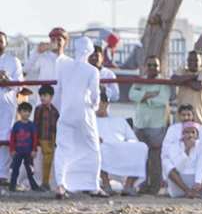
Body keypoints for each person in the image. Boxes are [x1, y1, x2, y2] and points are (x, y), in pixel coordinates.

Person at [52, 36, 102, 199]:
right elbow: (95, 96)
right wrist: (93, 108)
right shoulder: (92, 70)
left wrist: (62, 109)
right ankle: (92, 185)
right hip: (84, 113)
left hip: (66, 112)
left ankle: (60, 185)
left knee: (63, 148)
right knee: (92, 148)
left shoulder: (63, 66)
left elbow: (58, 92)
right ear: (90, 51)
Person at [128, 56, 172, 195]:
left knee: (155, 156)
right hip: (140, 123)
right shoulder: (140, 80)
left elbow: (163, 99)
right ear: (145, 66)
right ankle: (144, 184)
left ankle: (155, 186)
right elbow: (131, 95)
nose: (153, 67)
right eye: (150, 65)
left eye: (155, 65)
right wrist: (150, 95)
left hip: (157, 124)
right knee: (142, 157)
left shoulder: (163, 82)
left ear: (159, 67)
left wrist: (143, 97)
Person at [96, 93, 148, 195]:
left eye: (100, 104)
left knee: (142, 147)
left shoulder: (119, 120)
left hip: (120, 148)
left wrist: (127, 144)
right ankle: (106, 185)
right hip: (103, 148)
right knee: (100, 149)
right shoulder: (91, 122)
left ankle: (128, 185)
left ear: (106, 104)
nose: (97, 107)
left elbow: (132, 139)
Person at [163, 121, 202, 198]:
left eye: (193, 132)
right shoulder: (175, 146)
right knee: (166, 163)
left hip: (199, 185)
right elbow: (179, 166)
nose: (190, 135)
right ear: (182, 134)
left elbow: (201, 163)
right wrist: (186, 150)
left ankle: (196, 193)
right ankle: (187, 191)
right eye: (187, 132)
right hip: (179, 186)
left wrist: (198, 182)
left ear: (197, 135)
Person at [0, 31, 25, 186]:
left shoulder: (13, 61)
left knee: (5, 137)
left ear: (5, 43)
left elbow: (20, 85)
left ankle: (2, 174)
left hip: (7, 105)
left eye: (0, 41)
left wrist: (6, 79)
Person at [25, 27, 71, 101]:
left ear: (65, 42)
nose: (56, 42)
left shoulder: (70, 62)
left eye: (59, 39)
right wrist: (37, 52)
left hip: (62, 102)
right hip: (43, 103)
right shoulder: (42, 57)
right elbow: (26, 69)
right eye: (53, 40)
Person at [172, 50, 202, 126]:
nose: (192, 62)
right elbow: (174, 80)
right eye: (190, 60)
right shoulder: (182, 70)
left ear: (201, 61)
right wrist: (193, 77)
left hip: (199, 120)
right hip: (181, 120)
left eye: (196, 60)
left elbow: (197, 86)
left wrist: (183, 80)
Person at [8, 102, 41, 191]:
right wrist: (12, 149)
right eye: (24, 111)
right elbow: (12, 139)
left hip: (28, 152)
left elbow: (35, 139)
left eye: (29, 111)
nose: (27, 113)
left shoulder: (32, 125)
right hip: (18, 152)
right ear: (19, 112)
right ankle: (12, 186)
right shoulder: (16, 125)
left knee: (30, 170)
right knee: (15, 169)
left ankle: (34, 186)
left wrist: (34, 150)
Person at [32, 84, 58, 190]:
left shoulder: (55, 111)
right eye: (41, 95)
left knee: (48, 161)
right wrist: (35, 140)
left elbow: (56, 127)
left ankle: (46, 182)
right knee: (42, 161)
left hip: (51, 139)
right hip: (41, 138)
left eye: (45, 95)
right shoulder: (38, 109)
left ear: (51, 97)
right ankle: (43, 182)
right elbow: (35, 125)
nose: (42, 97)